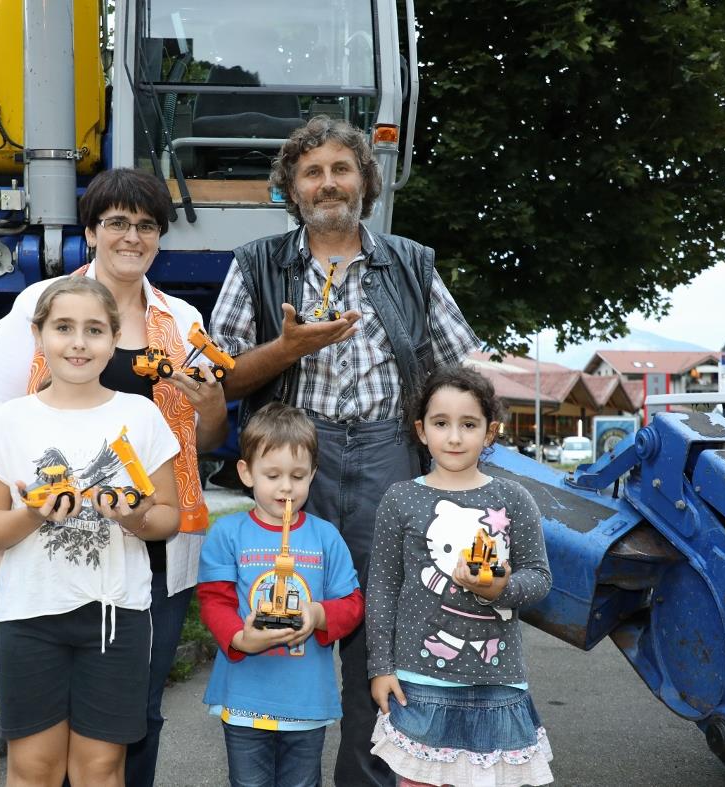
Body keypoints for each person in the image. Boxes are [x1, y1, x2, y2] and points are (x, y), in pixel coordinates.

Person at [209, 115, 480, 786]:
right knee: (280, 609)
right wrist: (286, 348)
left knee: (380, 631)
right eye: (312, 171)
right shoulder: (258, 263)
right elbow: (217, 377)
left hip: (391, 453)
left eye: (341, 168)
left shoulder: (412, 263)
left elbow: (465, 367)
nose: (328, 182)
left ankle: (365, 777)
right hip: (295, 459)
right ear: (291, 189)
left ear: (366, 181)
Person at [0, 167, 227, 786]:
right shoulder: (39, 308)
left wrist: (212, 403)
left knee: (132, 715)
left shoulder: (183, 320)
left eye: (146, 226)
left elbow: (206, 439)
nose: (132, 237)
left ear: (159, 239)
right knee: (40, 748)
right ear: (91, 231)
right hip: (43, 539)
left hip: (155, 542)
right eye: (117, 222)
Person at [0, 276, 182, 786]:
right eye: (63, 328)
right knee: (33, 768)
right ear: (39, 335)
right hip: (30, 614)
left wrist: (133, 517)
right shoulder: (11, 422)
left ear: (114, 340)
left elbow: (168, 517)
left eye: (94, 330)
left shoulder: (142, 415)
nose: (79, 342)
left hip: (116, 616)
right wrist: (32, 514)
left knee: (101, 768)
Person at [367, 365, 554, 787]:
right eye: (441, 423)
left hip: (498, 683)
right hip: (418, 683)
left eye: (468, 424)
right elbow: (381, 588)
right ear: (421, 429)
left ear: (490, 432)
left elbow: (540, 579)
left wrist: (500, 587)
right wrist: (380, 667)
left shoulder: (513, 498)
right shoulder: (400, 499)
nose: (454, 437)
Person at [197, 402, 364, 787]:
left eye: (298, 475)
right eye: (272, 475)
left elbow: (352, 603)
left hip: (305, 702)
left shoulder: (325, 537)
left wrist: (318, 616)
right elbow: (214, 599)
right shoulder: (228, 534)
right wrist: (241, 638)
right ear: (246, 472)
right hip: (244, 699)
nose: (286, 487)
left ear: (313, 475)